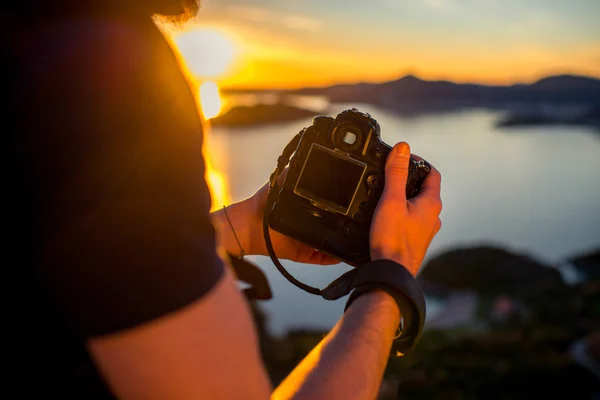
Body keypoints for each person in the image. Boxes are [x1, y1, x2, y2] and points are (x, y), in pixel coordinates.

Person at [7, 0, 442, 398]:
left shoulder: (42, 35)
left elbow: (86, 264)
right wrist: (390, 278)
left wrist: (245, 227)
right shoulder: (109, 65)